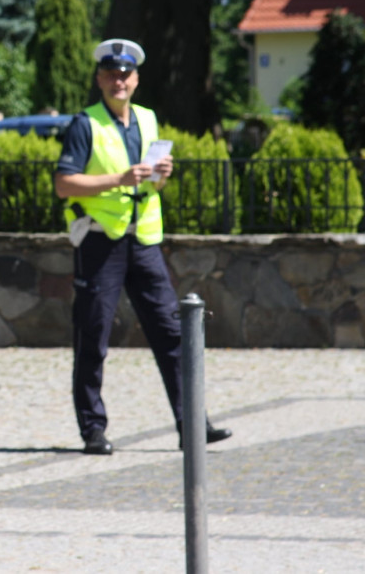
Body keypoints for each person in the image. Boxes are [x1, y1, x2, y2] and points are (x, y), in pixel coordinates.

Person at [54, 38, 232, 455]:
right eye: (112, 74)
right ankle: (93, 430)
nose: (119, 80)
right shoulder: (86, 124)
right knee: (94, 335)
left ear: (136, 79)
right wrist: (120, 179)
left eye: (126, 74)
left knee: (173, 333)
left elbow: (152, 183)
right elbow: (64, 184)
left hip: (145, 240)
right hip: (100, 240)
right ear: (100, 79)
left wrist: (161, 174)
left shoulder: (148, 120)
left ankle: (193, 424)